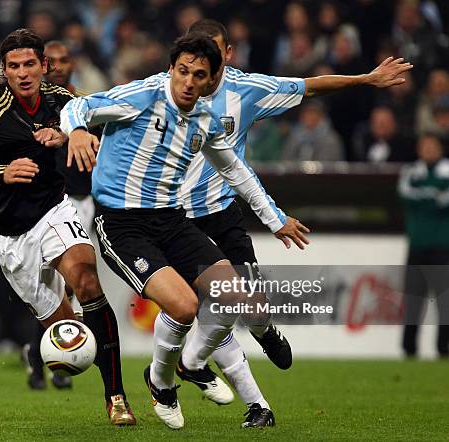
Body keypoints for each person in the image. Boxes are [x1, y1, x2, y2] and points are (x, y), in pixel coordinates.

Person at [61, 34, 310, 430]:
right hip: (123, 224)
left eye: (199, 75)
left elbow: (234, 170)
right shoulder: (141, 97)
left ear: (211, 80)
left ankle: (174, 371)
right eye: (182, 71)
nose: (189, 82)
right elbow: (79, 105)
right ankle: (162, 384)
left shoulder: (204, 119)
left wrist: (275, 219)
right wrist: (76, 130)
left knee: (234, 298)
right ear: (171, 68)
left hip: (172, 220)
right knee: (183, 306)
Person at [176, 19, 414, 428]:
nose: (204, 66)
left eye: (212, 55)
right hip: (178, 219)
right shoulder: (166, 91)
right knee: (213, 309)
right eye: (195, 58)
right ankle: (254, 404)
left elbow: (310, 85)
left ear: (226, 55)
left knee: (251, 307)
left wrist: (365, 79)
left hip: (223, 213)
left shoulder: (246, 90)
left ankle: (260, 333)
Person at [0, 29, 135, 426]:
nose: (22, 73)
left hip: (54, 209)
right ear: (4, 72)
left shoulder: (62, 100)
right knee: (68, 334)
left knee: (87, 279)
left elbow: (89, 121)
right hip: (9, 236)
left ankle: (116, 397)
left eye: (30, 64)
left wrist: (70, 132)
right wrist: (3, 171)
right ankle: (55, 350)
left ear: (44, 66)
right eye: (14, 66)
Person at [21, 40, 94, 391]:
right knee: (49, 287)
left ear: (73, 63)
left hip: (81, 201)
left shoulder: (85, 108)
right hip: (43, 205)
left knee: (70, 287)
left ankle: (49, 358)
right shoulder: (33, 108)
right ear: (45, 66)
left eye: (66, 59)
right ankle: (43, 358)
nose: (60, 66)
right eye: (54, 61)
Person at [398, 133, 449, 358]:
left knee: (445, 302)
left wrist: (425, 198)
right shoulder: (411, 172)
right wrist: (432, 195)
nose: (427, 149)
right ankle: (409, 348)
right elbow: (405, 195)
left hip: (442, 247)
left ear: (441, 148)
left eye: (432, 145)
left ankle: (444, 348)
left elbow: (443, 202)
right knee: (413, 300)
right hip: (416, 247)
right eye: (424, 145)